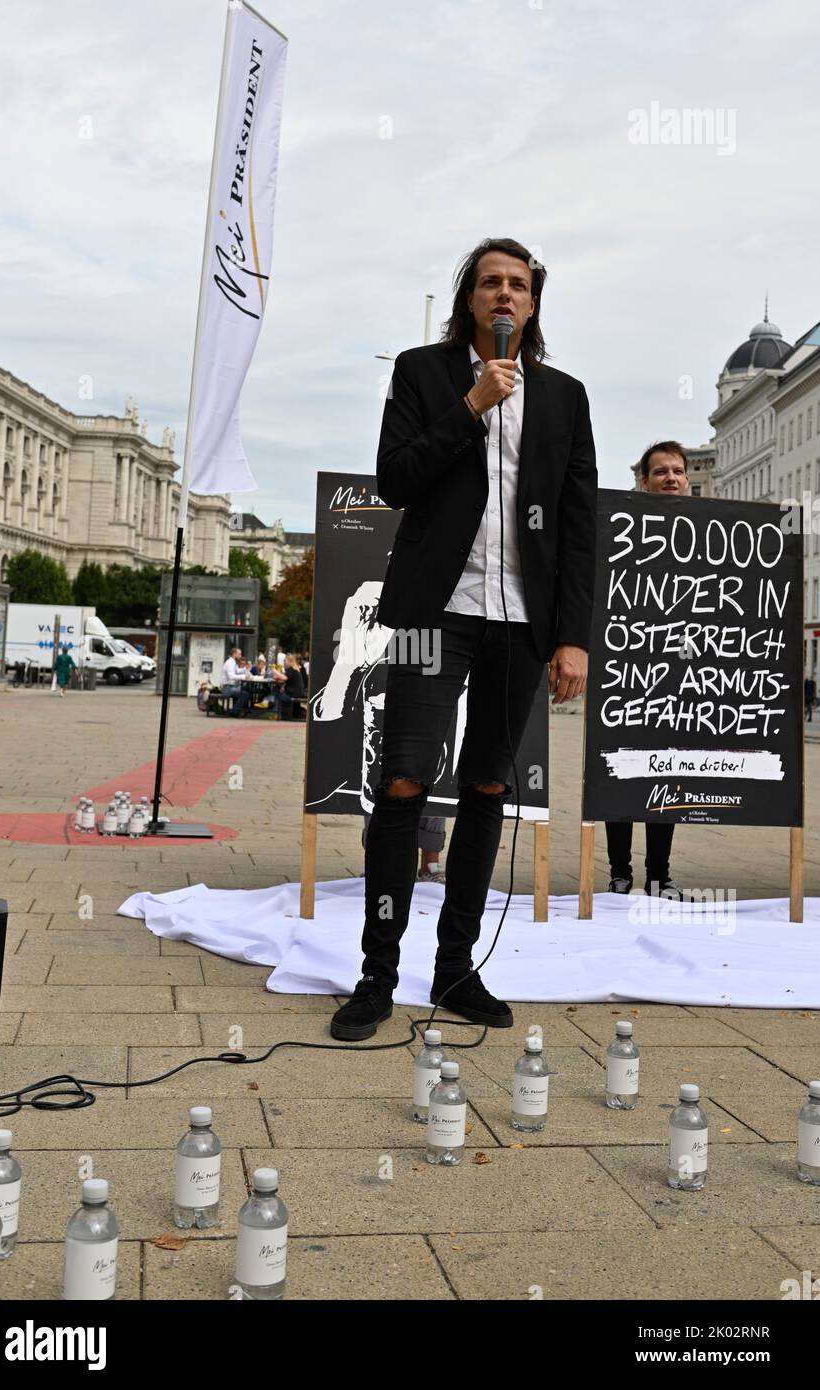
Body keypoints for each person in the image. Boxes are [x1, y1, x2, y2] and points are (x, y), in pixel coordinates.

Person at [331, 236, 597, 1041]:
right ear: (469, 298)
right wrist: (473, 404)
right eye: (491, 283)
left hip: (521, 622)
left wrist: (571, 637)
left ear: (534, 302)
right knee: (404, 783)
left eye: (518, 285)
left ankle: (454, 969)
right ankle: (377, 977)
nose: (505, 295)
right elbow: (396, 477)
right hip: (433, 612)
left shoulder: (563, 396)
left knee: (486, 790)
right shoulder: (423, 372)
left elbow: (580, 525)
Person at [604, 441, 690, 898]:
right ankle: (620, 871)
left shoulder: (706, 531)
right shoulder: (621, 528)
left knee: (667, 774)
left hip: (679, 679)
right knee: (618, 773)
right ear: (644, 481)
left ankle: (660, 873)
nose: (671, 478)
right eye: (661, 472)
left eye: (678, 471)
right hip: (626, 673)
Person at [220, 647, 251, 717]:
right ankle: (234, 711)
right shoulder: (230, 663)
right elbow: (231, 676)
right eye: (239, 654)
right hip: (227, 688)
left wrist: (246, 668)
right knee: (245, 693)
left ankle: (239, 710)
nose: (240, 656)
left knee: (246, 689)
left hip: (230, 686)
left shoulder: (233, 662)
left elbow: (237, 671)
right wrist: (243, 676)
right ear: (234, 654)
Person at [278, 655, 306, 720]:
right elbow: (284, 678)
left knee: (278, 693)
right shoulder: (293, 669)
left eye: (285, 660)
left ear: (290, 662)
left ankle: (276, 712)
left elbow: (284, 678)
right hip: (297, 692)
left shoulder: (292, 669)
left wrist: (273, 670)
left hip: (294, 693)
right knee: (278, 691)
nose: (283, 662)